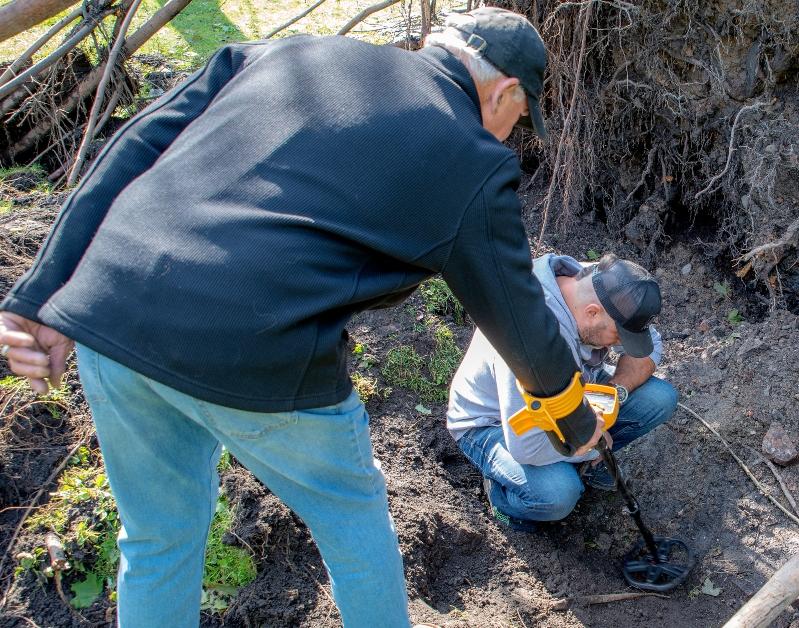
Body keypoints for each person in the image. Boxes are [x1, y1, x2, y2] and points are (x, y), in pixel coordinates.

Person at [0, 8, 605, 628]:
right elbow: (519, 317)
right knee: (353, 523)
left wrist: (44, 294)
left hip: (114, 307)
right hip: (256, 340)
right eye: (519, 117)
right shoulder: (472, 158)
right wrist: (572, 417)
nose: (509, 134)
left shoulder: (284, 54)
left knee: (157, 540)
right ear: (504, 92)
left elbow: (135, 148)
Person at [447, 253, 678, 531]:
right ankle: (502, 498)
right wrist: (593, 445)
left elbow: (649, 343)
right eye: (618, 338)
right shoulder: (532, 336)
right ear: (592, 312)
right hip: (495, 423)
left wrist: (616, 391)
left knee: (659, 399)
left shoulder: (593, 283)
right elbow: (526, 446)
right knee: (558, 493)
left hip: (568, 392)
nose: (619, 345)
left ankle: (585, 466)